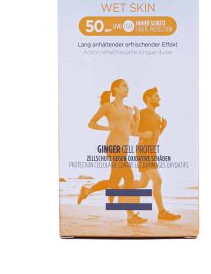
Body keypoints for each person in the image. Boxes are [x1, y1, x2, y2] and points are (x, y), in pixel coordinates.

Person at [77, 79, 146, 225]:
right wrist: (107, 128)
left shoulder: (129, 109)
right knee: (129, 177)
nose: (127, 88)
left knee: (114, 181)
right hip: (113, 146)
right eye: (124, 86)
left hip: (124, 148)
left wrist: (138, 117)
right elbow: (91, 123)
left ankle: (87, 191)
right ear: (115, 89)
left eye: (128, 86)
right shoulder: (108, 106)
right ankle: (131, 215)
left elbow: (132, 132)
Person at [129, 87, 181, 221]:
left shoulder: (158, 117)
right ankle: (162, 212)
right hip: (143, 150)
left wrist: (163, 127)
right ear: (148, 98)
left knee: (143, 183)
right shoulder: (141, 113)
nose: (159, 98)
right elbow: (131, 131)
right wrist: (142, 134)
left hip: (152, 151)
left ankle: (122, 187)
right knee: (158, 180)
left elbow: (154, 137)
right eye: (156, 96)